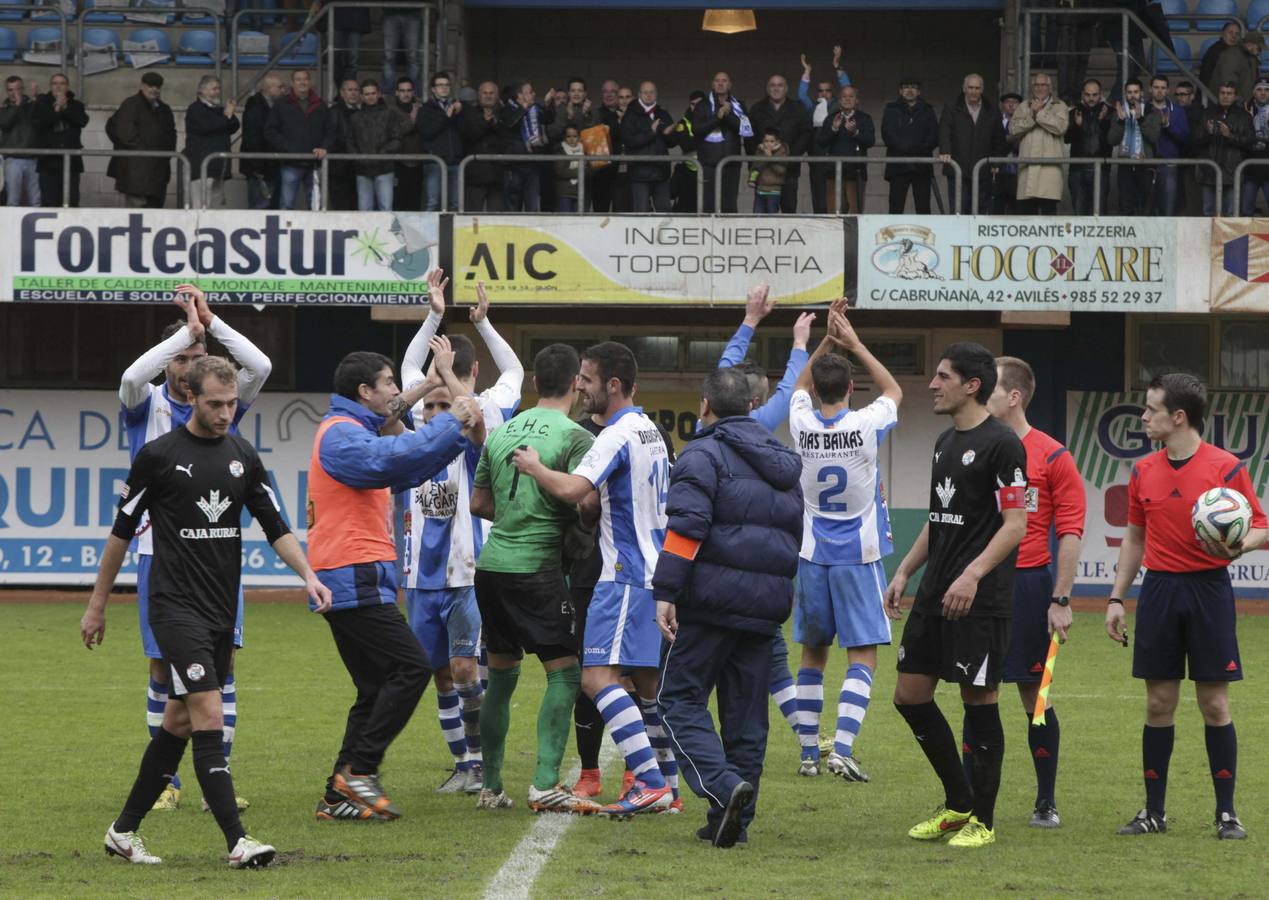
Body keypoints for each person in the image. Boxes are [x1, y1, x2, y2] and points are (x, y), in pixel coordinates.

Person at [80, 354, 331, 869]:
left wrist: (308, 574)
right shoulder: (158, 455)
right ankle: (237, 842)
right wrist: (97, 605)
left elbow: (276, 525)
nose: (224, 412)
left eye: (231, 403)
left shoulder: (242, 455)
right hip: (173, 609)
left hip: (220, 610)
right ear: (189, 397)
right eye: (214, 403)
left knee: (177, 722)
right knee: (208, 713)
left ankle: (123, 831)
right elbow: (120, 535)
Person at [309, 346, 482, 821]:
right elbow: (393, 455)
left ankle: (338, 793)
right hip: (352, 574)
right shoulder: (342, 436)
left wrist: (430, 390)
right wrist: (452, 422)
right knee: (410, 669)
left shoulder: (353, 427)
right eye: (388, 383)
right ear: (364, 392)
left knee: (374, 686)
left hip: (355, 575)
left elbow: (408, 458)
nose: (394, 391)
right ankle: (359, 771)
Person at [119, 285, 272, 814]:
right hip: (158, 558)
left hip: (215, 558)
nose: (187, 367)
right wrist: (185, 333)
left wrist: (211, 322)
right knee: (162, 670)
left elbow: (260, 366)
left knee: (223, 669)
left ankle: (216, 783)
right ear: (168, 363)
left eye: (194, 358)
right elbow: (132, 377)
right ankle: (166, 783)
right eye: (181, 358)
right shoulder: (145, 407)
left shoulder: (217, 410)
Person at [512, 342, 679, 817]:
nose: (578, 386)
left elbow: (573, 490)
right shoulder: (650, 430)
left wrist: (534, 466)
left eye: (586, 378)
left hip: (622, 575)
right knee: (647, 686)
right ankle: (669, 785)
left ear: (612, 384)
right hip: (654, 573)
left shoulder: (616, 434)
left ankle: (647, 780)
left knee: (595, 678)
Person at [1106, 373, 1267, 841]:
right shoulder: (1142, 471)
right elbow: (1135, 536)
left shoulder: (1226, 468)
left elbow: (1260, 525)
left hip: (1209, 591)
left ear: (1178, 417)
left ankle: (1226, 814)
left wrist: (1237, 546)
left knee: (1214, 704)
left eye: (1151, 409)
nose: (1144, 417)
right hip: (1159, 592)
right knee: (1158, 703)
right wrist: (1117, 597)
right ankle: (1153, 812)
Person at [885, 342, 1028, 849]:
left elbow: (1016, 525)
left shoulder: (1003, 445)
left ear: (972, 385)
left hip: (978, 599)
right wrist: (904, 570)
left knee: (978, 699)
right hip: (933, 595)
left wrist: (971, 575)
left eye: (943, 376)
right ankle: (958, 800)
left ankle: (982, 821)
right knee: (910, 695)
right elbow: (938, 520)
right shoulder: (944, 442)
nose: (932, 384)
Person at [654, 364, 803, 848]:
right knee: (746, 719)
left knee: (677, 701)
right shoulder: (783, 462)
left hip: (711, 604)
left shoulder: (701, 453)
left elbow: (686, 529)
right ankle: (732, 823)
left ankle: (721, 786)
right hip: (765, 608)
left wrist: (666, 592)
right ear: (753, 407)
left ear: (705, 406)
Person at [466, 344, 602, 814]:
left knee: (500, 679)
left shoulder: (502, 432)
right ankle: (545, 783)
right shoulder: (576, 436)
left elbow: (479, 505)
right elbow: (585, 502)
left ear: (534, 384)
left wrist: (514, 511)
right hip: (537, 570)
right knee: (565, 675)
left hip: (491, 569)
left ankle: (491, 787)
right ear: (573, 383)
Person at [400, 275, 522, 794]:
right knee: (441, 675)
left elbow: (481, 404)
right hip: (421, 578)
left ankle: (479, 759)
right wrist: (437, 317)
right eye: (426, 406)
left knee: (464, 666)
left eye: (440, 405)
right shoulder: (412, 438)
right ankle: (466, 763)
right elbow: (410, 375)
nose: (433, 412)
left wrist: (449, 367)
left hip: (470, 569)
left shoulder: (478, 426)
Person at [787, 305, 902, 784]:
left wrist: (824, 343)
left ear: (817, 389)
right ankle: (845, 748)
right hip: (859, 557)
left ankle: (809, 754)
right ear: (852, 388)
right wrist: (852, 342)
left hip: (812, 556)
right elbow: (894, 390)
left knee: (813, 655)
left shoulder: (801, 423)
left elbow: (795, 388)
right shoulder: (867, 424)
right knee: (864, 655)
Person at [984, 356, 1085, 829]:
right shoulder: (976, 448)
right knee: (975, 691)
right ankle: (972, 799)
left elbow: (1070, 530)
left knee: (1035, 695)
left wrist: (1060, 598)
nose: (980, 395)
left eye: (989, 389)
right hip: (980, 585)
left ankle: (1046, 801)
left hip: (1028, 586)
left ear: (1014, 396)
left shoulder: (1053, 456)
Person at [716, 285, 811, 747]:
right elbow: (793, 388)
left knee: (697, 671)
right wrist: (798, 344)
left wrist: (750, 319)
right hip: (760, 573)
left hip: (711, 570)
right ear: (755, 402)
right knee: (766, 661)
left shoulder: (708, 426)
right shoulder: (761, 428)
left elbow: (724, 371)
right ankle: (808, 741)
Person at [265, 70, 334, 211]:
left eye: (305, 79)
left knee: (316, 206)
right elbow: (270, 131)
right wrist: (287, 148)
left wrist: (324, 147)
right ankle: (284, 232)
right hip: (291, 162)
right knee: (287, 204)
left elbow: (330, 131)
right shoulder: (281, 104)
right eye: (298, 79)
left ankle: (315, 233)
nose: (302, 82)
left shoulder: (320, 105)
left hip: (315, 163)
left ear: (310, 82)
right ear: (292, 83)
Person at [938, 73, 1006, 214]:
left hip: (983, 171)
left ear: (982, 90)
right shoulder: (952, 107)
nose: (973, 91)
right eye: (970, 87)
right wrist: (945, 150)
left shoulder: (992, 109)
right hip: (958, 170)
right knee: (958, 211)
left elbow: (998, 138)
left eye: (977, 88)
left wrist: (996, 163)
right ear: (964, 89)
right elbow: (944, 131)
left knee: (979, 212)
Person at [107, 72, 176, 209]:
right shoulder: (131, 104)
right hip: (136, 171)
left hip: (158, 171)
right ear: (142, 85)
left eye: (157, 86)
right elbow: (124, 133)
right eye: (150, 86)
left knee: (155, 212)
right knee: (137, 215)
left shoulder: (164, 109)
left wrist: (165, 154)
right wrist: (145, 153)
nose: (154, 89)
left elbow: (171, 135)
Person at [799, 45, 852, 213]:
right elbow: (801, 95)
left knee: (839, 191)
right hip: (817, 152)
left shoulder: (838, 105)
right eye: (820, 91)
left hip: (836, 151)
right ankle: (819, 217)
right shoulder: (812, 107)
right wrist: (807, 72)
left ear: (832, 92)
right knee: (818, 191)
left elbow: (847, 88)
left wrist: (837, 65)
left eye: (827, 91)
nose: (824, 94)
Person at [748, 73, 812, 213]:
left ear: (786, 89)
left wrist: (791, 155)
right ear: (767, 88)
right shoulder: (757, 109)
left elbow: (806, 132)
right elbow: (749, 136)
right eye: (772, 85)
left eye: (780, 85)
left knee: (788, 208)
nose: (776, 88)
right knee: (763, 211)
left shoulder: (797, 108)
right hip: (763, 170)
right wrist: (759, 155)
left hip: (789, 169)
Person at [1009, 72, 1069, 215]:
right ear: (1032, 87)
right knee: (1026, 219)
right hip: (1027, 171)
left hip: (1049, 173)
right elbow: (1013, 129)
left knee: (1048, 221)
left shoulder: (1060, 106)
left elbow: (1060, 128)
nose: (1040, 88)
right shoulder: (1024, 106)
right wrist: (1032, 116)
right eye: (1036, 85)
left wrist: (1040, 113)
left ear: (1050, 87)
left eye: (1043, 85)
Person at [881, 77, 939, 213]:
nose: (909, 90)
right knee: (896, 207)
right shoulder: (891, 109)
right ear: (900, 91)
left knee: (923, 207)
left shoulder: (928, 110)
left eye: (913, 87)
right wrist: (905, 149)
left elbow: (933, 136)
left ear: (919, 92)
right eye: (906, 87)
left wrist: (918, 150)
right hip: (898, 166)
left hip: (922, 165)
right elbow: (887, 134)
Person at [31, 72, 88, 208]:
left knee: (71, 201)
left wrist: (65, 108)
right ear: (50, 86)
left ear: (67, 86)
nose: (58, 86)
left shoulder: (76, 105)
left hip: (71, 163)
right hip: (48, 162)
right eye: (55, 83)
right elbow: (39, 124)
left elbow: (82, 121)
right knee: (49, 201)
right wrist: (57, 109)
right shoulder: (41, 104)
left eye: (62, 83)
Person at [694, 71, 748, 213]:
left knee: (729, 206)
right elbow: (697, 130)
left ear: (729, 85)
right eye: (717, 80)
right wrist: (717, 117)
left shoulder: (738, 105)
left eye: (724, 81)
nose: (720, 83)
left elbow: (745, 130)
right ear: (713, 84)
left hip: (731, 163)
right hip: (708, 164)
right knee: (707, 206)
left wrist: (728, 114)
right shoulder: (703, 105)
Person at [1196, 81, 1252, 216]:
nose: (1225, 96)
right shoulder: (1206, 113)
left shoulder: (1244, 116)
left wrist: (1229, 135)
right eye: (1222, 93)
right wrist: (1207, 134)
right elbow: (1195, 141)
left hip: (1232, 173)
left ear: (1235, 96)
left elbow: (1250, 142)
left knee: (1231, 215)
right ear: (1218, 94)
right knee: (1208, 213)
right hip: (1208, 173)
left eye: (1229, 93)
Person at [816, 84, 874, 215]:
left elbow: (870, 141)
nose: (847, 99)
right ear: (839, 100)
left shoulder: (865, 118)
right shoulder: (831, 118)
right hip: (833, 172)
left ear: (856, 100)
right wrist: (834, 129)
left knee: (855, 212)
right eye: (844, 96)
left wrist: (856, 132)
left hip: (856, 172)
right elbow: (821, 142)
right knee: (833, 212)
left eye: (851, 96)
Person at [183, 75, 239, 210]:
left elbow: (234, 126)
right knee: (200, 206)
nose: (217, 92)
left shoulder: (219, 109)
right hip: (201, 165)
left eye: (218, 89)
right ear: (202, 91)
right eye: (214, 89)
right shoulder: (195, 109)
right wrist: (227, 117)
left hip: (218, 166)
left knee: (215, 206)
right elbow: (207, 126)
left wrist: (229, 116)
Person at [1107, 79, 1161, 216]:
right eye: (1129, 92)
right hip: (1125, 166)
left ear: (1142, 93)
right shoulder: (1119, 112)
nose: (1132, 95)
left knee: (1146, 209)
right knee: (1126, 208)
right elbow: (1111, 140)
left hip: (1146, 166)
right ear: (1125, 94)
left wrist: (1141, 119)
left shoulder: (1152, 111)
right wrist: (1120, 122)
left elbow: (1154, 137)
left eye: (1136, 92)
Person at [499, 81, 555, 212]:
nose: (534, 94)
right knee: (513, 208)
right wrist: (523, 109)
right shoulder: (508, 109)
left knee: (533, 207)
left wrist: (548, 104)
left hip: (533, 162)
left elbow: (549, 119)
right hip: (514, 164)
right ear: (519, 95)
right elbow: (510, 124)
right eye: (530, 92)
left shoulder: (534, 108)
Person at [622, 81, 675, 213]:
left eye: (652, 92)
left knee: (665, 212)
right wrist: (651, 133)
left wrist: (671, 135)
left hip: (661, 172)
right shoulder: (630, 115)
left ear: (656, 94)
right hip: (639, 173)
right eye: (645, 92)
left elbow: (671, 143)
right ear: (639, 94)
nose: (649, 95)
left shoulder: (663, 114)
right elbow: (629, 141)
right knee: (641, 212)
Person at [348, 80, 401, 212]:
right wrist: (358, 157)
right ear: (361, 96)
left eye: (373, 93)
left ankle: (385, 234)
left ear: (379, 94)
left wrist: (382, 153)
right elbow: (349, 140)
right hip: (362, 169)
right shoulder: (355, 117)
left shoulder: (389, 114)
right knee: (364, 210)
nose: (370, 96)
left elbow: (397, 139)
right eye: (367, 94)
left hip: (384, 168)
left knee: (386, 209)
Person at [1064, 78, 1112, 216]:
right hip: (1077, 171)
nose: (1091, 98)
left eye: (1094, 95)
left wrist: (1103, 122)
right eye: (1088, 94)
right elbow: (1067, 139)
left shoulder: (1109, 112)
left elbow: (1112, 141)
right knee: (1080, 215)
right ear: (1082, 94)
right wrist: (1078, 126)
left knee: (1099, 216)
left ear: (1100, 94)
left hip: (1101, 171)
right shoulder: (1073, 112)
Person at [417, 71, 463, 211]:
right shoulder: (425, 110)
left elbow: (466, 132)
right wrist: (446, 117)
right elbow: (427, 132)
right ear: (433, 89)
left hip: (455, 162)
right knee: (432, 202)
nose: (444, 88)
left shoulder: (457, 108)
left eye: (447, 85)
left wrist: (461, 114)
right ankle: (428, 233)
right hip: (435, 162)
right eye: (440, 85)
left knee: (455, 204)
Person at [239, 76, 284, 210]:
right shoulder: (255, 106)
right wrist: (257, 167)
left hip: (273, 165)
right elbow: (253, 138)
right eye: (280, 87)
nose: (283, 90)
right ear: (269, 89)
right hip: (260, 167)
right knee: (261, 206)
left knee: (273, 206)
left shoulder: (276, 106)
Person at [459, 80, 504, 211]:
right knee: (472, 219)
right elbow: (469, 136)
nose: (488, 96)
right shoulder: (468, 113)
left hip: (498, 175)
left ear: (497, 95)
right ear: (479, 95)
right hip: (475, 176)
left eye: (491, 93)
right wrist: (487, 122)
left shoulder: (503, 114)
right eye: (485, 93)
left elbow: (506, 137)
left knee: (497, 219)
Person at [1148, 75, 1190, 217]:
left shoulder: (1177, 111)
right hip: (1146, 165)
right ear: (1150, 89)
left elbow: (1184, 137)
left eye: (1163, 88)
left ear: (1168, 90)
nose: (1159, 91)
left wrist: (1167, 126)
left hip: (1169, 165)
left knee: (1168, 212)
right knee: (1146, 213)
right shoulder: (1143, 110)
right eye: (1156, 87)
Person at [1, 75, 40, 206]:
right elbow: (5, 123)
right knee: (13, 199)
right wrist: (17, 106)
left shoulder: (31, 106)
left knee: (36, 200)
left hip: (33, 157)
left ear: (23, 89)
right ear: (7, 91)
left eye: (18, 89)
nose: (14, 93)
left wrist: (36, 99)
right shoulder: (3, 109)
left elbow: (40, 120)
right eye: (11, 90)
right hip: (12, 159)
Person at [327, 78, 363, 212]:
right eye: (350, 90)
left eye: (356, 90)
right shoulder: (334, 111)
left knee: (356, 208)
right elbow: (331, 138)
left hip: (358, 169)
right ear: (342, 93)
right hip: (339, 170)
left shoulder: (362, 111)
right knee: (341, 210)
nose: (353, 93)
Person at [391, 77, 425, 211]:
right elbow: (397, 132)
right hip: (398, 163)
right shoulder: (390, 111)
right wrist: (412, 117)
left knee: (415, 203)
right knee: (399, 202)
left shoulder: (422, 109)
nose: (406, 94)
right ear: (396, 92)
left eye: (409, 90)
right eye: (402, 90)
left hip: (418, 162)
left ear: (413, 92)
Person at [1210, 30, 1262, 104]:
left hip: (1241, 104)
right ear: (1250, 45)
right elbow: (1228, 84)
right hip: (1232, 105)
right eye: (1259, 48)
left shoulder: (1249, 56)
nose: (1260, 51)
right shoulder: (1232, 56)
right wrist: (1239, 103)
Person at [1242, 78, 1269, 215]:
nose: (1263, 93)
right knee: (1246, 212)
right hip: (1250, 169)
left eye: (1266, 89)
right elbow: (1242, 140)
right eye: (1259, 89)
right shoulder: (1244, 112)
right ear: (1253, 93)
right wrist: (1249, 120)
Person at [992, 92, 1022, 214]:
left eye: (1014, 102)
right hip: (998, 172)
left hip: (1018, 172)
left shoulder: (1025, 123)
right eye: (1007, 102)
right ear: (1002, 105)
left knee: (1016, 210)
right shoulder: (995, 121)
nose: (1011, 105)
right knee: (997, 208)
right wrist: (1009, 139)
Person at [382, 3, 421, 91]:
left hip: (413, 10)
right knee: (389, 56)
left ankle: (413, 91)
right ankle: (387, 91)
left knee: (413, 57)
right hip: (390, 10)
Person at [751, 126, 788, 214]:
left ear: (777, 142)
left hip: (773, 191)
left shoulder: (782, 152)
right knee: (757, 216)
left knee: (771, 217)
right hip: (759, 190)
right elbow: (755, 167)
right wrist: (751, 179)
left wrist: (770, 158)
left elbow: (781, 171)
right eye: (766, 141)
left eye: (772, 141)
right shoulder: (760, 150)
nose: (768, 144)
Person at [555, 125, 585, 212]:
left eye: (575, 136)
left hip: (580, 193)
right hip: (565, 194)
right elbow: (560, 171)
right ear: (564, 138)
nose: (572, 139)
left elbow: (590, 170)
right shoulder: (560, 151)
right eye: (569, 136)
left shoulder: (584, 150)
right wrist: (581, 171)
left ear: (579, 137)